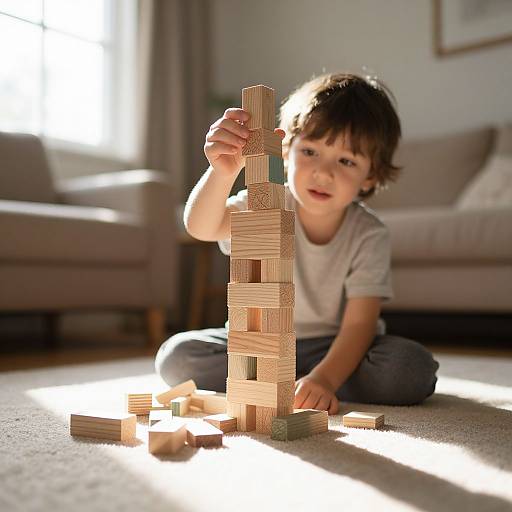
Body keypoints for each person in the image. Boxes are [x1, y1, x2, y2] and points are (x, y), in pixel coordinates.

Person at [155, 72, 439, 415]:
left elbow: (360, 324)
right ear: (285, 151)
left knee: (410, 368)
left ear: (371, 176)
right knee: (177, 358)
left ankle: (309, 382)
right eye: (310, 151)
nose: (323, 173)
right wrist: (223, 172)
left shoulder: (369, 233)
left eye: (346, 160)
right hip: (258, 345)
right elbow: (201, 227)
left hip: (332, 347)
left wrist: (325, 378)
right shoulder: (265, 201)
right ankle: (290, 380)